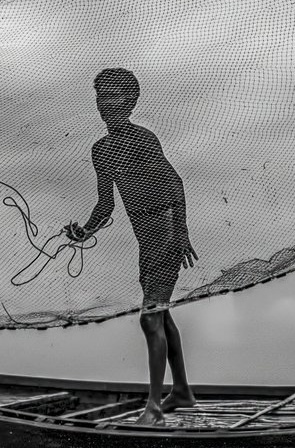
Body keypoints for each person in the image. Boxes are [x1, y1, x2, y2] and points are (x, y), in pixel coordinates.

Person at [65, 68, 198, 425]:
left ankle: (154, 407)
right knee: (162, 313)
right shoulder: (101, 150)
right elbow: (105, 205)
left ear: (131, 101)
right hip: (145, 238)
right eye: (102, 97)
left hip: (166, 231)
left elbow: (175, 182)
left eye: (115, 96)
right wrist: (84, 231)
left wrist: (182, 232)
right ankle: (182, 391)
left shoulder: (143, 139)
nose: (107, 104)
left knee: (150, 317)